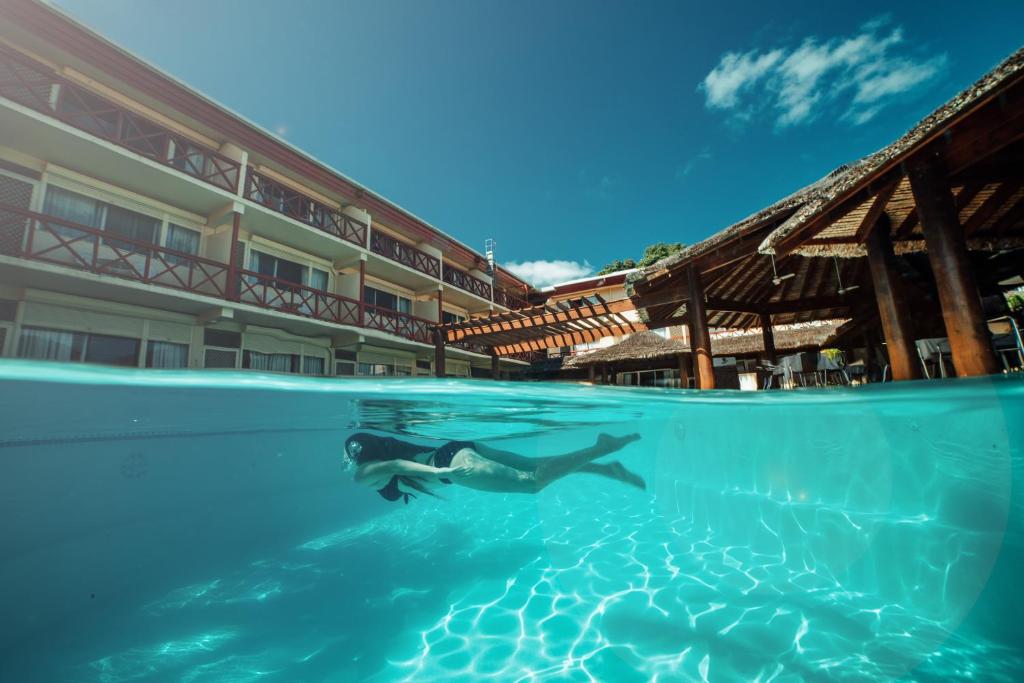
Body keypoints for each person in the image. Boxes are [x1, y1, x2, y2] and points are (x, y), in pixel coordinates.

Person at [343, 432, 644, 504]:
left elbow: (395, 464)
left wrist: (437, 474)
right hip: (456, 449)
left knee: (533, 481)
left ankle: (602, 448)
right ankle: (605, 466)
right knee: (540, 466)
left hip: (449, 464)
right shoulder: (378, 461)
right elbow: (397, 462)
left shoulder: (362, 473)